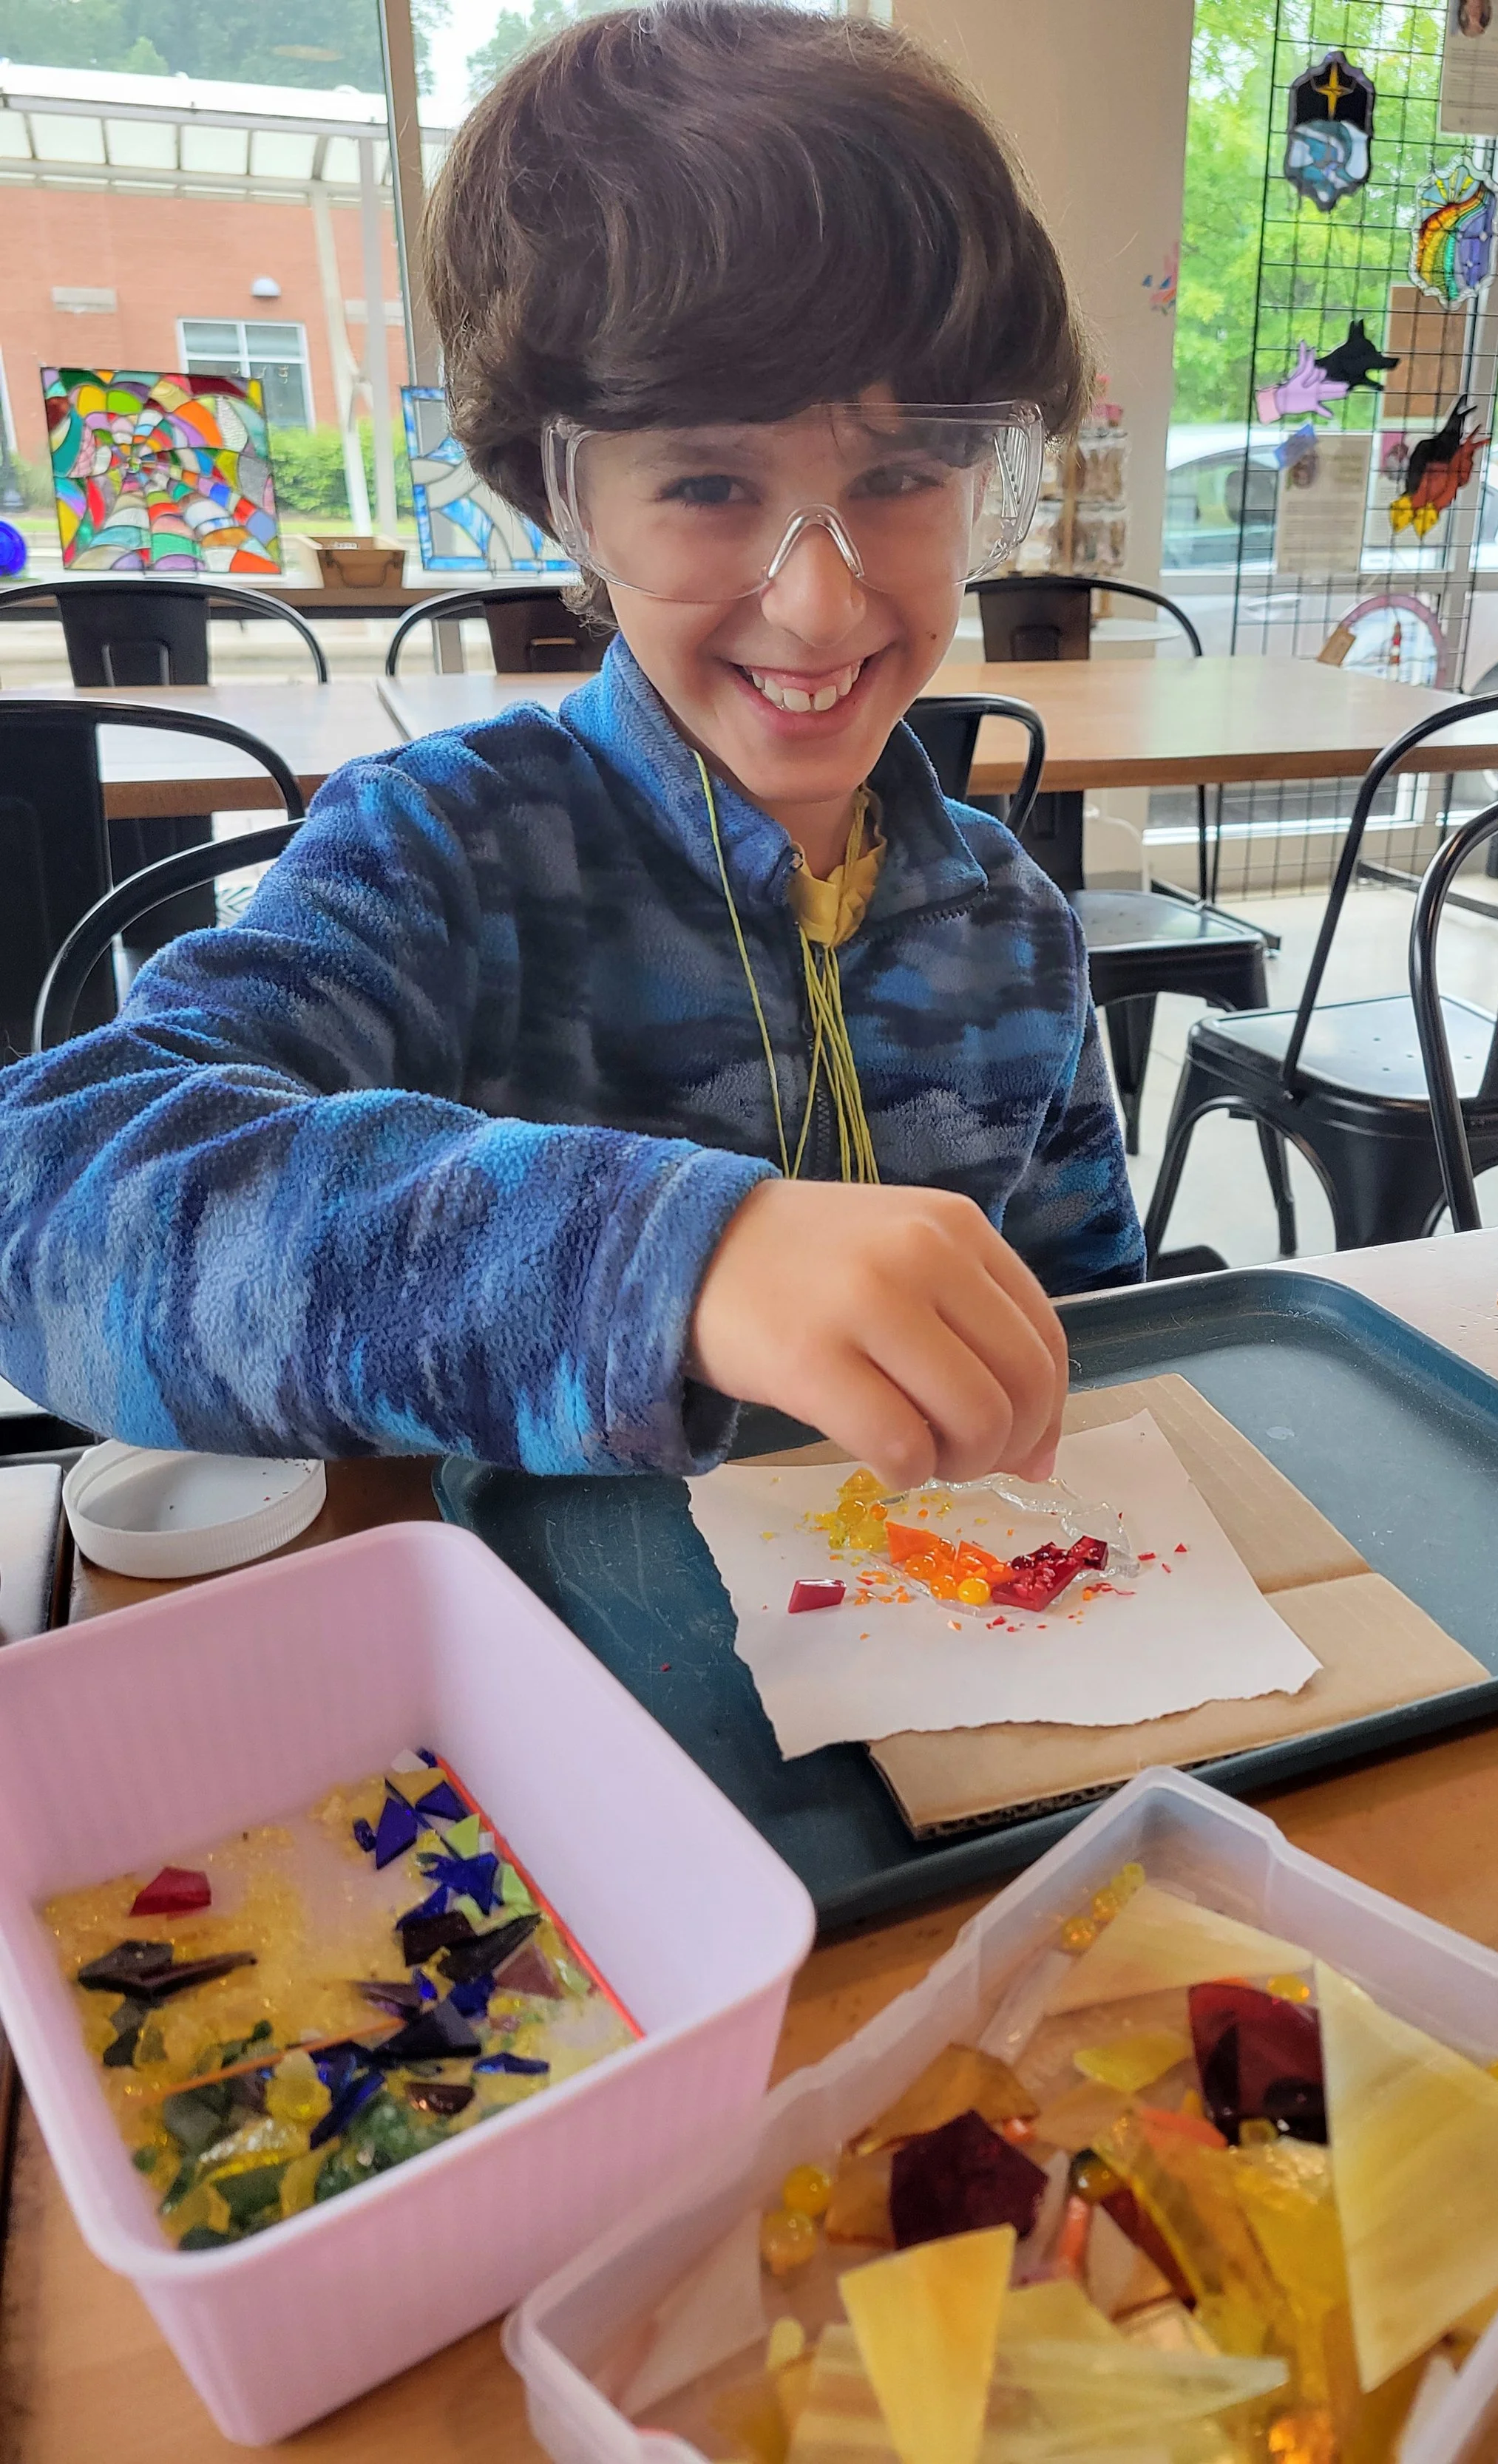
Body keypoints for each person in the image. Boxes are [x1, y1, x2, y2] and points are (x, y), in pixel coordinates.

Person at [0, 0, 1142, 1490]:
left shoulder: (1012, 930)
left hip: (939, 1657)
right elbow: (51, 1206)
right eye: (709, 483)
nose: (818, 599)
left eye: (906, 473)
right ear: (564, 505)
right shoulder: (446, 859)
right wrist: (673, 1257)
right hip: (540, 1677)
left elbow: (1103, 1343)